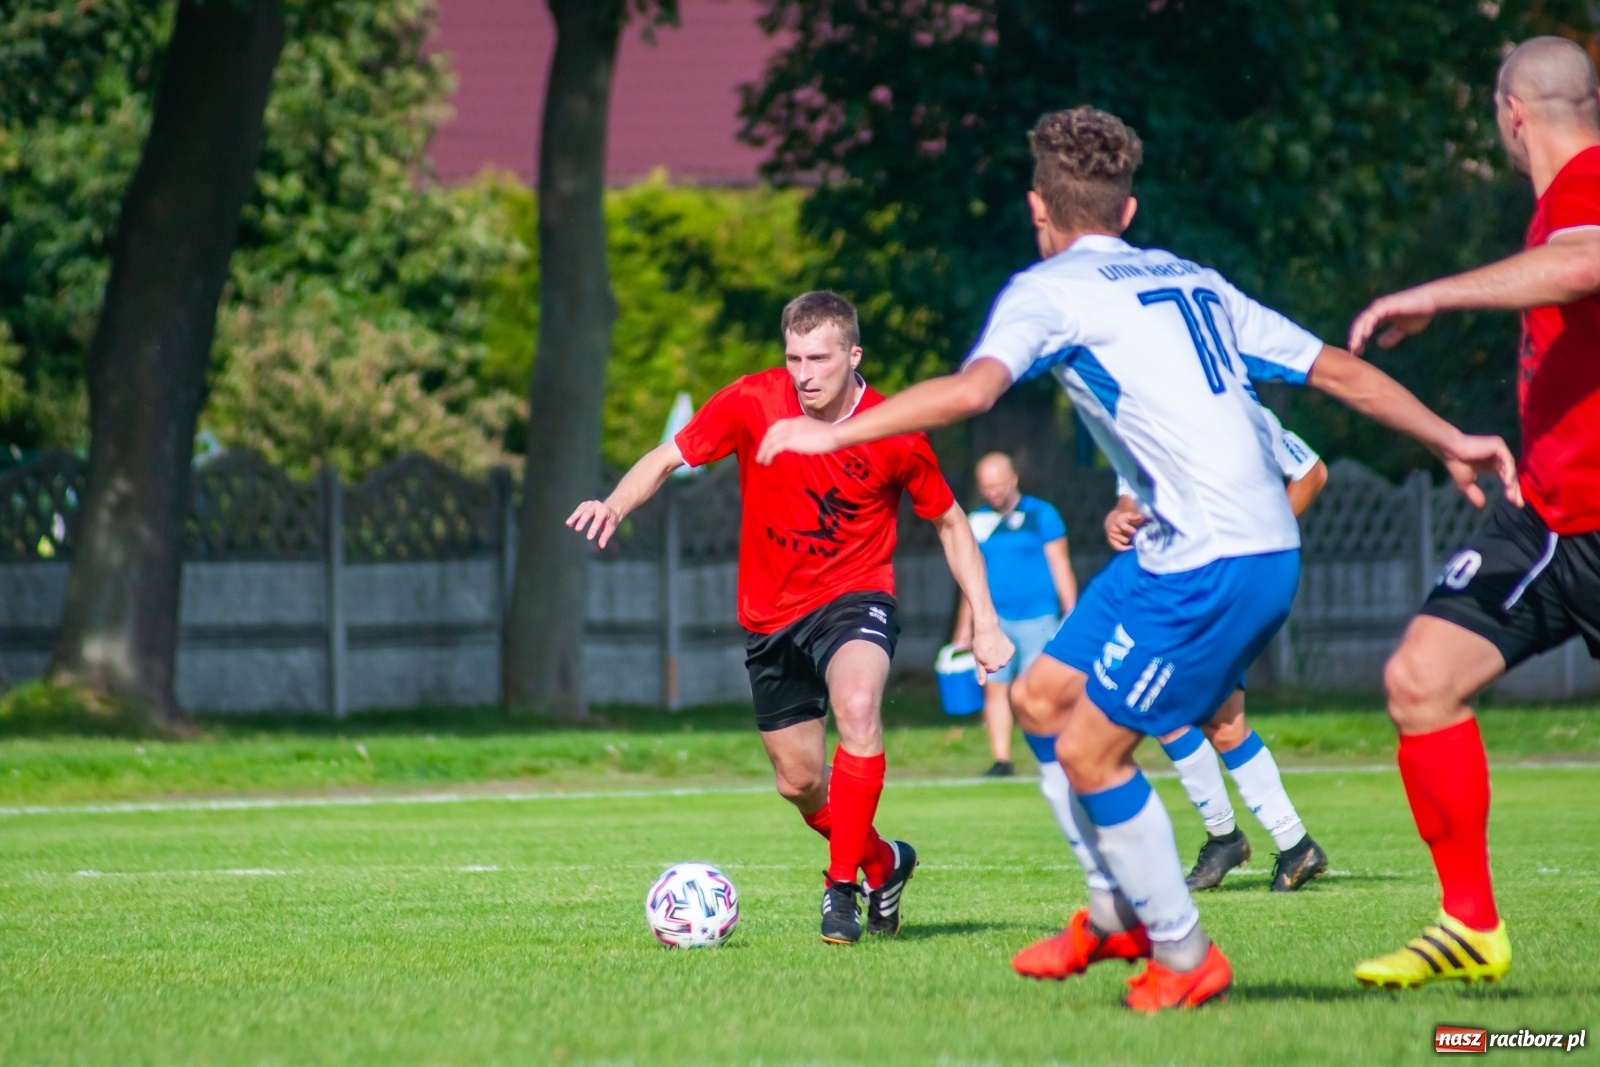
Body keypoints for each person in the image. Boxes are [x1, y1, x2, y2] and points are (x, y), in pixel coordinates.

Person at [755, 108, 1514, 1010]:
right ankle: (1115, 910)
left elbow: (970, 391)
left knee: (1090, 748)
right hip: (1196, 546)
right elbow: (1337, 372)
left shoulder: (1050, 289)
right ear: (1128, 206)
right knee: (1039, 698)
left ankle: (1185, 953)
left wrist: (818, 432)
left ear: (1040, 207)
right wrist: (1448, 438)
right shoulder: (1194, 279)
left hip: (1216, 556)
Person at [568, 290, 1013, 946]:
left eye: (819, 358)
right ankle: (883, 863)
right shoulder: (753, 399)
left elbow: (950, 523)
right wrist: (615, 502)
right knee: (800, 781)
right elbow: (668, 457)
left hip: (856, 598)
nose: (804, 372)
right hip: (770, 618)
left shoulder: (894, 428)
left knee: (858, 706)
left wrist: (985, 619)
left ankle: (840, 890)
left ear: (853, 355)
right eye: (794, 356)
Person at [1343, 36, 1600, 990]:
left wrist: (1436, 294)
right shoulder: (1550, 206)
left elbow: (1586, 265)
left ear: (1511, 111)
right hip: (1547, 519)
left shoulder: (1585, 188)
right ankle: (1469, 923)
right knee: (1421, 677)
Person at [1101, 406, 1330, 893]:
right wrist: (1120, 518)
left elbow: (1311, 472)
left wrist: (1259, 544)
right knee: (1222, 724)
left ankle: (1231, 838)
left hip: (1220, 585)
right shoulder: (1131, 414)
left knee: (1158, 701)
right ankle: (1293, 845)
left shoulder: (1233, 406)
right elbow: (1130, 499)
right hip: (1178, 584)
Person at [950, 452, 1077, 777]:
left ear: (1013, 480)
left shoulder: (1041, 514)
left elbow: (1059, 562)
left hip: (1038, 617)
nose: (992, 492)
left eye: (997, 485)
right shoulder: (977, 520)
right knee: (996, 689)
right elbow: (972, 577)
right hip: (995, 621)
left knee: (1038, 690)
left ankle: (1054, 754)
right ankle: (1002, 759)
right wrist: (966, 627)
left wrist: (1071, 609)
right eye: (985, 487)